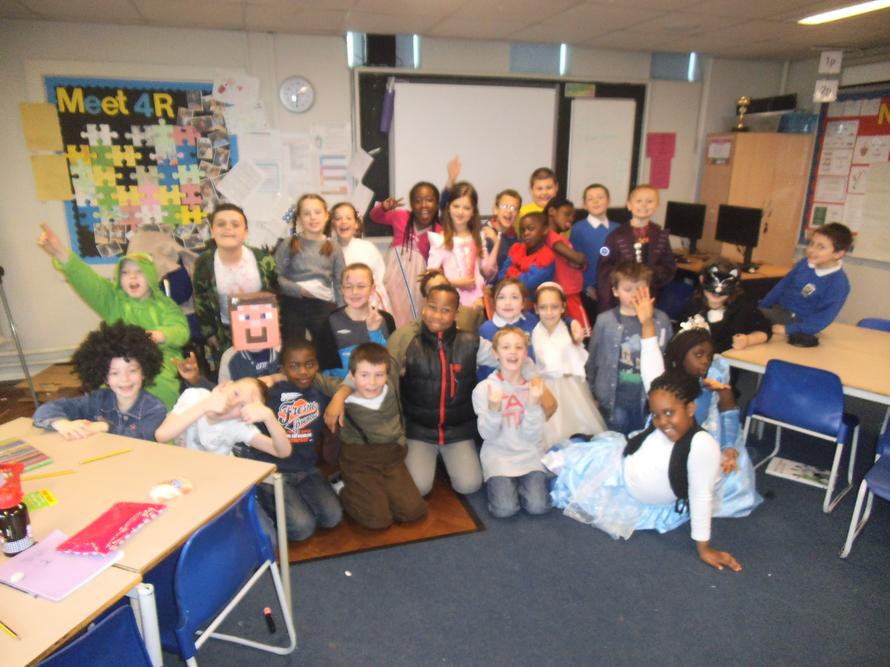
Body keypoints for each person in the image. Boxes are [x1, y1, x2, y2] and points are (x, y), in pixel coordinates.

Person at [545, 370, 743, 572]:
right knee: (566, 461)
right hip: (616, 468)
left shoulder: (702, 445)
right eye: (656, 415)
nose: (662, 422)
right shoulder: (664, 425)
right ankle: (576, 443)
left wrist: (704, 549)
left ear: (690, 408)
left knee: (562, 483)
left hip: (633, 499)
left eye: (669, 413)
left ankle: (575, 445)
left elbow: (700, 496)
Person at [637, 289, 763, 521]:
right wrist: (647, 324)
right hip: (669, 437)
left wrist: (728, 446)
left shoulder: (715, 377)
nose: (705, 361)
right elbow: (650, 358)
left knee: (727, 473)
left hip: (707, 436)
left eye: (709, 356)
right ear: (681, 354)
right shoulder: (667, 379)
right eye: (698, 355)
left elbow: (728, 410)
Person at [37, 224, 189, 409]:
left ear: (150, 276)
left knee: (158, 384)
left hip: (160, 359)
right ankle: (112, 420)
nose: (132, 278)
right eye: (125, 273)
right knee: (105, 388)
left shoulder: (165, 305)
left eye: (139, 272)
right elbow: (86, 279)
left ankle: (162, 421)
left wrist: (161, 335)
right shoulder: (113, 301)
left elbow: (181, 330)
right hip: (120, 360)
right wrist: (59, 251)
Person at [236, 338, 343, 541]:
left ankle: (295, 503)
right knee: (302, 529)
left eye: (309, 364)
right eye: (294, 366)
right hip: (274, 471)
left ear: (317, 365)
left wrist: (339, 398)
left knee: (333, 517)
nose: (303, 372)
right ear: (282, 368)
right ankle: (264, 500)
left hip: (306, 469)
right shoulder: (268, 392)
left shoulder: (321, 391)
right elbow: (234, 396)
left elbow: (350, 385)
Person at [330, 342, 427, 530]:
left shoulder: (391, 378)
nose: (372, 383)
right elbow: (313, 379)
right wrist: (339, 396)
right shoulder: (340, 389)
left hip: (391, 457)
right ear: (352, 376)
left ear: (387, 374)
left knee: (413, 511)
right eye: (364, 375)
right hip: (359, 460)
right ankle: (341, 486)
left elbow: (402, 339)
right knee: (378, 520)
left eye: (379, 375)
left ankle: (378, 491)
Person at [33, 321, 166, 441]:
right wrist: (62, 424)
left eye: (132, 371)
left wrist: (105, 427)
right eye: (114, 373)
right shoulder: (96, 400)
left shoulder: (154, 408)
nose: (125, 379)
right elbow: (46, 410)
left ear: (144, 372)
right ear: (104, 377)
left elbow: (142, 438)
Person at [472, 327, 550, 518]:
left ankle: (526, 482)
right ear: (495, 353)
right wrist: (494, 409)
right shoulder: (484, 389)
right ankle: (508, 484)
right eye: (506, 347)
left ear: (526, 353)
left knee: (538, 507)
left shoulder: (534, 389)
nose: (513, 352)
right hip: (499, 456)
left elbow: (533, 436)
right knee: (505, 510)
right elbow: (487, 434)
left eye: (519, 347)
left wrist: (533, 405)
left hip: (529, 455)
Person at [586, 261, 671, 435]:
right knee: (615, 441)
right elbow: (592, 359)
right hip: (614, 400)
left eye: (640, 288)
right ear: (615, 291)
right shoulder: (604, 321)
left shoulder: (661, 320)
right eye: (628, 289)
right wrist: (591, 394)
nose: (634, 294)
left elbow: (668, 358)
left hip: (647, 401)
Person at [191, 203, 278, 361]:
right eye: (221, 224)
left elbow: (277, 293)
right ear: (212, 231)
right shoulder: (204, 263)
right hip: (226, 333)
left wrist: (278, 329)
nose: (228, 228)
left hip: (263, 329)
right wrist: (209, 334)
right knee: (231, 372)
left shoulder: (262, 258)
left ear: (246, 232)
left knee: (266, 372)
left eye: (235, 224)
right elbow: (201, 299)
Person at [532, 283, 606, 447]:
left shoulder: (570, 329)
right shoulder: (533, 331)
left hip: (571, 386)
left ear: (563, 307)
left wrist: (572, 321)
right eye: (543, 307)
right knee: (551, 432)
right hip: (546, 388)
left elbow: (580, 359)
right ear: (536, 308)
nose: (549, 312)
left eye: (554, 307)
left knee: (580, 425)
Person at [759, 222, 852, 343]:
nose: (811, 250)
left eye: (821, 247)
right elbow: (782, 286)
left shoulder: (838, 283)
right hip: (778, 311)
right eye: (811, 243)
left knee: (747, 318)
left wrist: (789, 329)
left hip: (797, 322)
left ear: (838, 254)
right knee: (745, 311)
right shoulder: (805, 264)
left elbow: (824, 317)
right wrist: (763, 305)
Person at [155, 376, 291, 458]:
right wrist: (204, 406)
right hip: (181, 472)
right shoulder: (195, 396)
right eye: (236, 393)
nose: (233, 403)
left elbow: (282, 452)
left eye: (242, 406)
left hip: (214, 478)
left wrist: (269, 418)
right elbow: (161, 435)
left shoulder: (238, 426)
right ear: (226, 385)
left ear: (243, 417)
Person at [275, 193, 345, 344]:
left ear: (326, 216)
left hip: (322, 303)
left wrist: (342, 312)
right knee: (293, 348)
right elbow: (276, 276)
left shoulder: (334, 247)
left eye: (317, 212)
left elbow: (340, 282)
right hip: (293, 302)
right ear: (299, 219)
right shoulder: (289, 243)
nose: (313, 217)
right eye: (306, 214)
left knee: (326, 346)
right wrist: (299, 290)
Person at [368, 181, 442, 326]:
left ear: (437, 204)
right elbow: (374, 216)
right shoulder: (401, 216)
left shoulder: (439, 231)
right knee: (389, 314)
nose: (423, 205)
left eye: (429, 200)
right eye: (418, 201)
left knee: (412, 318)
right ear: (412, 204)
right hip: (393, 278)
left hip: (416, 283)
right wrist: (383, 207)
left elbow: (439, 261)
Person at [596, 184, 675, 312]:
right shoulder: (614, 236)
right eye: (638, 201)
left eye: (650, 201)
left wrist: (650, 274)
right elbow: (604, 268)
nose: (644, 205)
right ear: (629, 205)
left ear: (657, 205)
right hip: (621, 300)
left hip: (650, 296)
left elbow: (669, 266)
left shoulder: (661, 235)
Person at [315, 263, 396, 378]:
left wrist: (374, 332)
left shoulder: (386, 320)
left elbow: (393, 361)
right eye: (348, 287)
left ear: (372, 289)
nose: (354, 292)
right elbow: (325, 370)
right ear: (341, 289)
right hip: (341, 387)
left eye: (361, 286)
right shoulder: (330, 322)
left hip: (377, 386)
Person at [677, 260, 771, 353]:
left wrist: (748, 340)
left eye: (726, 285)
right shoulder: (692, 307)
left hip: (729, 358)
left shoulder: (742, 308)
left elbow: (765, 329)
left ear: (735, 285)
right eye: (713, 283)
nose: (717, 291)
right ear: (702, 280)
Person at [428, 181, 489, 311]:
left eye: (466, 208)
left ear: (473, 211)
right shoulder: (441, 240)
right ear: (448, 207)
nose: (460, 212)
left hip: (479, 302)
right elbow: (430, 278)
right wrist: (456, 283)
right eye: (456, 206)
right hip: (452, 303)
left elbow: (486, 271)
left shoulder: (478, 237)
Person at [328, 201, 392, 312]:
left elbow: (379, 277)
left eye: (348, 218)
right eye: (338, 218)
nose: (343, 222)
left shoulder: (367, 248)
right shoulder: (327, 249)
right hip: (338, 306)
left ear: (356, 224)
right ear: (333, 224)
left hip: (368, 305)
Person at [569, 183, 619, 323]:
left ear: (609, 201)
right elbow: (575, 262)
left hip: (613, 289)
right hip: (589, 291)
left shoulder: (618, 228)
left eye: (600, 197)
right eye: (590, 199)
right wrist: (587, 287)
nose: (596, 201)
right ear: (584, 205)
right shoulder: (578, 229)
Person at [477, 277, 539, 381]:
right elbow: (484, 364)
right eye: (501, 297)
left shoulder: (531, 321)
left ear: (523, 303)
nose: (508, 303)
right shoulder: (487, 329)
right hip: (497, 384)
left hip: (529, 380)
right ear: (494, 302)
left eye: (514, 297)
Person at [544, 196, 589, 335]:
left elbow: (581, 264)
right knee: (582, 333)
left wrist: (579, 261)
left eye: (573, 216)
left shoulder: (560, 238)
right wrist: (579, 258)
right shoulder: (551, 236)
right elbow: (579, 259)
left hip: (567, 293)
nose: (570, 219)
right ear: (552, 211)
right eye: (567, 214)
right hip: (567, 293)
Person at [497, 212, 556, 293]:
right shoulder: (516, 248)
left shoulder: (547, 256)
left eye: (531, 229)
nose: (526, 233)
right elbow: (501, 275)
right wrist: (521, 274)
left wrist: (511, 271)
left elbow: (526, 284)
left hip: (535, 300)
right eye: (522, 230)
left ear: (545, 230)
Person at [480, 189, 522, 284]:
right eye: (504, 206)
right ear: (495, 209)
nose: (509, 211)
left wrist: (497, 241)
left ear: (518, 214)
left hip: (504, 286)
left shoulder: (517, 241)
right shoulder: (482, 232)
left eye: (514, 208)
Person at [516, 167, 559, 233]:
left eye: (549, 188)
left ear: (556, 187)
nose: (544, 192)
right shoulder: (521, 214)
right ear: (531, 190)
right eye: (539, 189)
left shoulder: (564, 213)